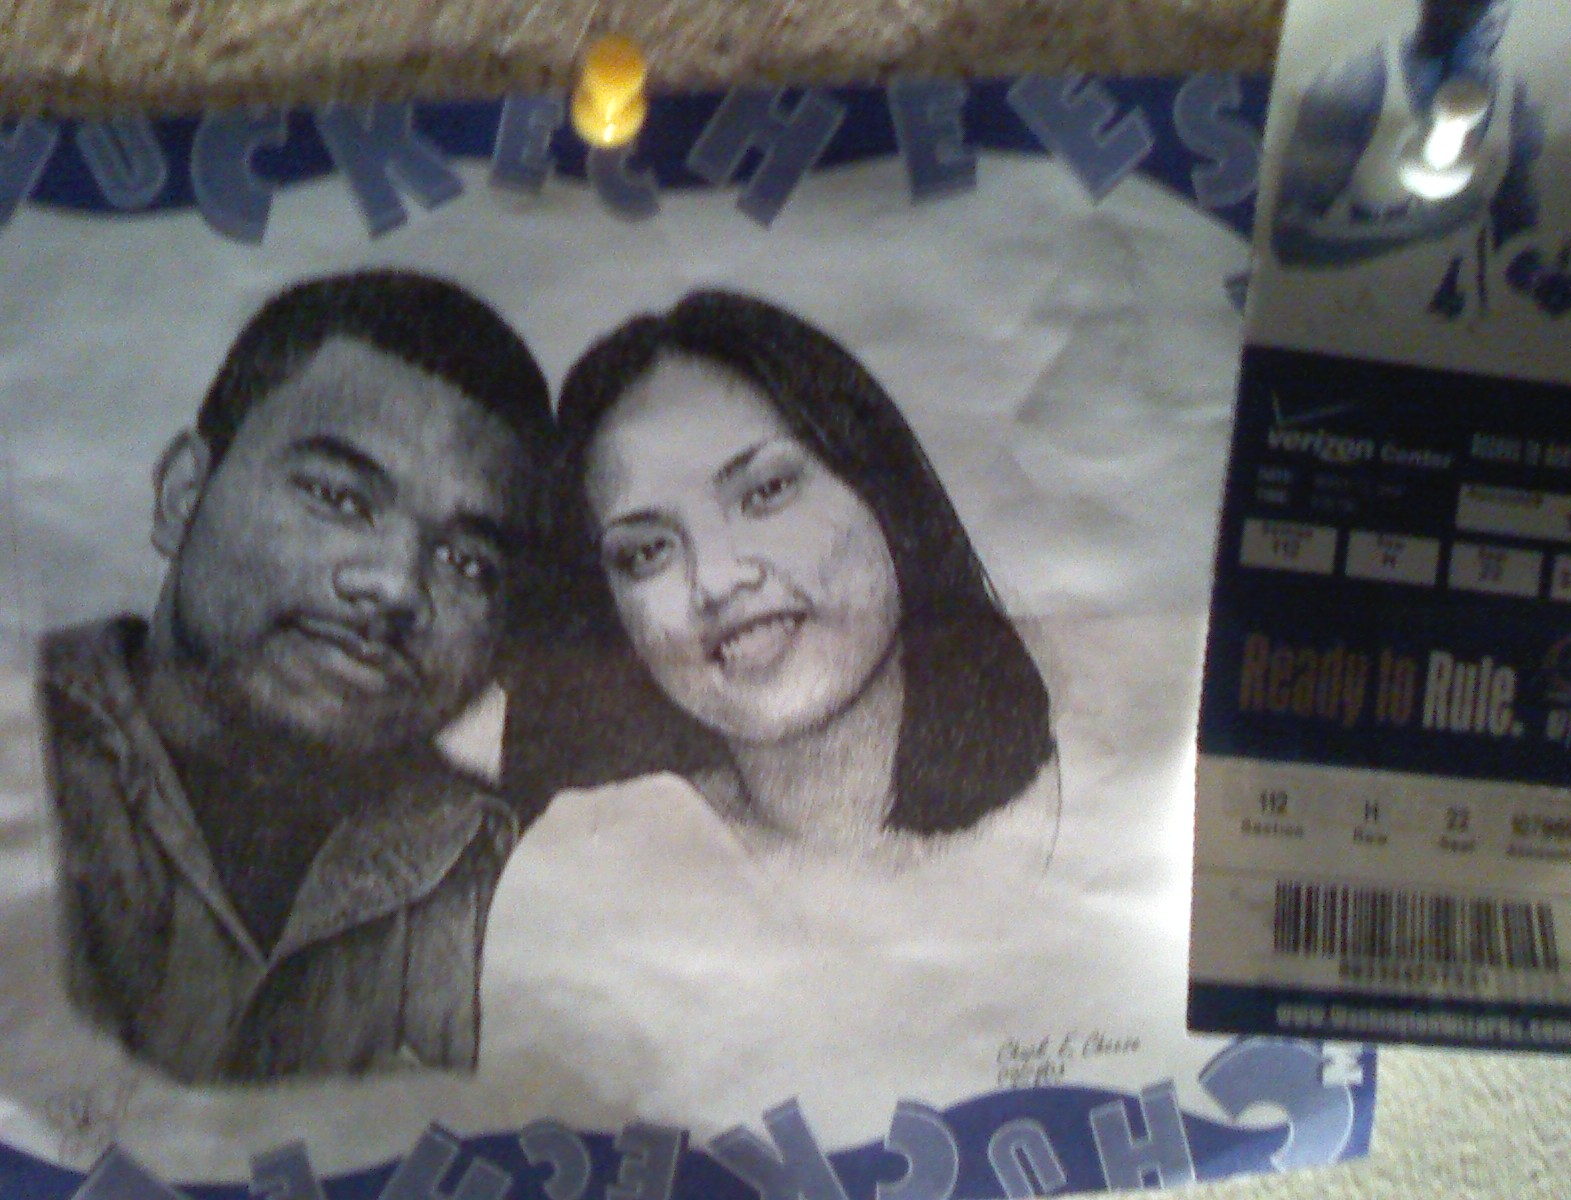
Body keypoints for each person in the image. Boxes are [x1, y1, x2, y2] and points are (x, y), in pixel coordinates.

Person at [39, 269, 553, 1083]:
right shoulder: (25, 746)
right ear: (182, 494)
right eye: (338, 498)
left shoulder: (509, 870)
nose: (396, 586)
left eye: (466, 562)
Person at [506, 289, 1056, 859]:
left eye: (767, 491)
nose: (717, 579)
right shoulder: (591, 862)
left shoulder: (1083, 781)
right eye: (647, 552)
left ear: (882, 490)